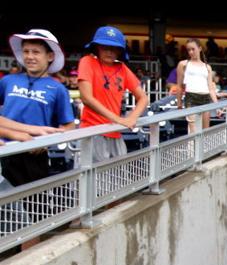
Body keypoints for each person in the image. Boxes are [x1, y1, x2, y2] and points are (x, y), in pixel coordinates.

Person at [0, 29, 74, 186]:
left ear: (50, 56)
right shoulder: (7, 81)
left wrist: (47, 142)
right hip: (4, 148)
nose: (29, 56)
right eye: (26, 51)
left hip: (34, 154)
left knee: (35, 206)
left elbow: (69, 125)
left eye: (36, 52)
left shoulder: (58, 88)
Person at [78, 26, 148, 162]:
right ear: (97, 47)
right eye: (104, 47)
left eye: (113, 48)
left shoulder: (122, 68)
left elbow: (143, 98)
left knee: (119, 179)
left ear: (119, 51)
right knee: (92, 180)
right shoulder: (87, 62)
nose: (109, 52)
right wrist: (118, 119)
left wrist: (132, 118)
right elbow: (86, 98)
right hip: (92, 131)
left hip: (115, 132)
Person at [176, 39, 219, 133]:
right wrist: (179, 105)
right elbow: (179, 86)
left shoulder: (207, 67)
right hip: (191, 98)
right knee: (193, 131)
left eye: (193, 49)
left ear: (199, 48)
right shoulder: (183, 64)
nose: (191, 52)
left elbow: (211, 88)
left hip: (205, 98)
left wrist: (217, 105)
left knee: (205, 131)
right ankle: (192, 148)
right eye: (188, 50)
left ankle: (203, 148)